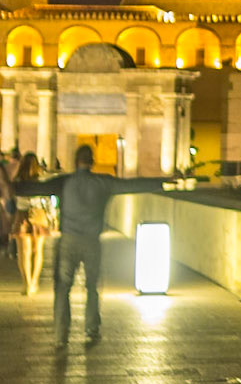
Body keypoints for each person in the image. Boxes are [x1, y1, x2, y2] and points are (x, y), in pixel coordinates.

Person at [13, 144, 175, 347]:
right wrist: (163, 181)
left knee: (63, 287)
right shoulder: (103, 182)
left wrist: (11, 184)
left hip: (68, 241)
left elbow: (34, 188)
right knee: (92, 286)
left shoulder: (65, 182)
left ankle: (60, 335)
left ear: (75, 161)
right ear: (92, 162)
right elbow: (131, 185)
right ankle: (91, 328)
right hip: (92, 242)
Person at [10, 151, 54, 296]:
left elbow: (12, 201)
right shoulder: (41, 181)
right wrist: (52, 218)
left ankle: (27, 283)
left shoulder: (16, 182)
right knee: (37, 251)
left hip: (22, 214)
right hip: (39, 214)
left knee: (24, 252)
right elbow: (47, 201)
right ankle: (33, 282)